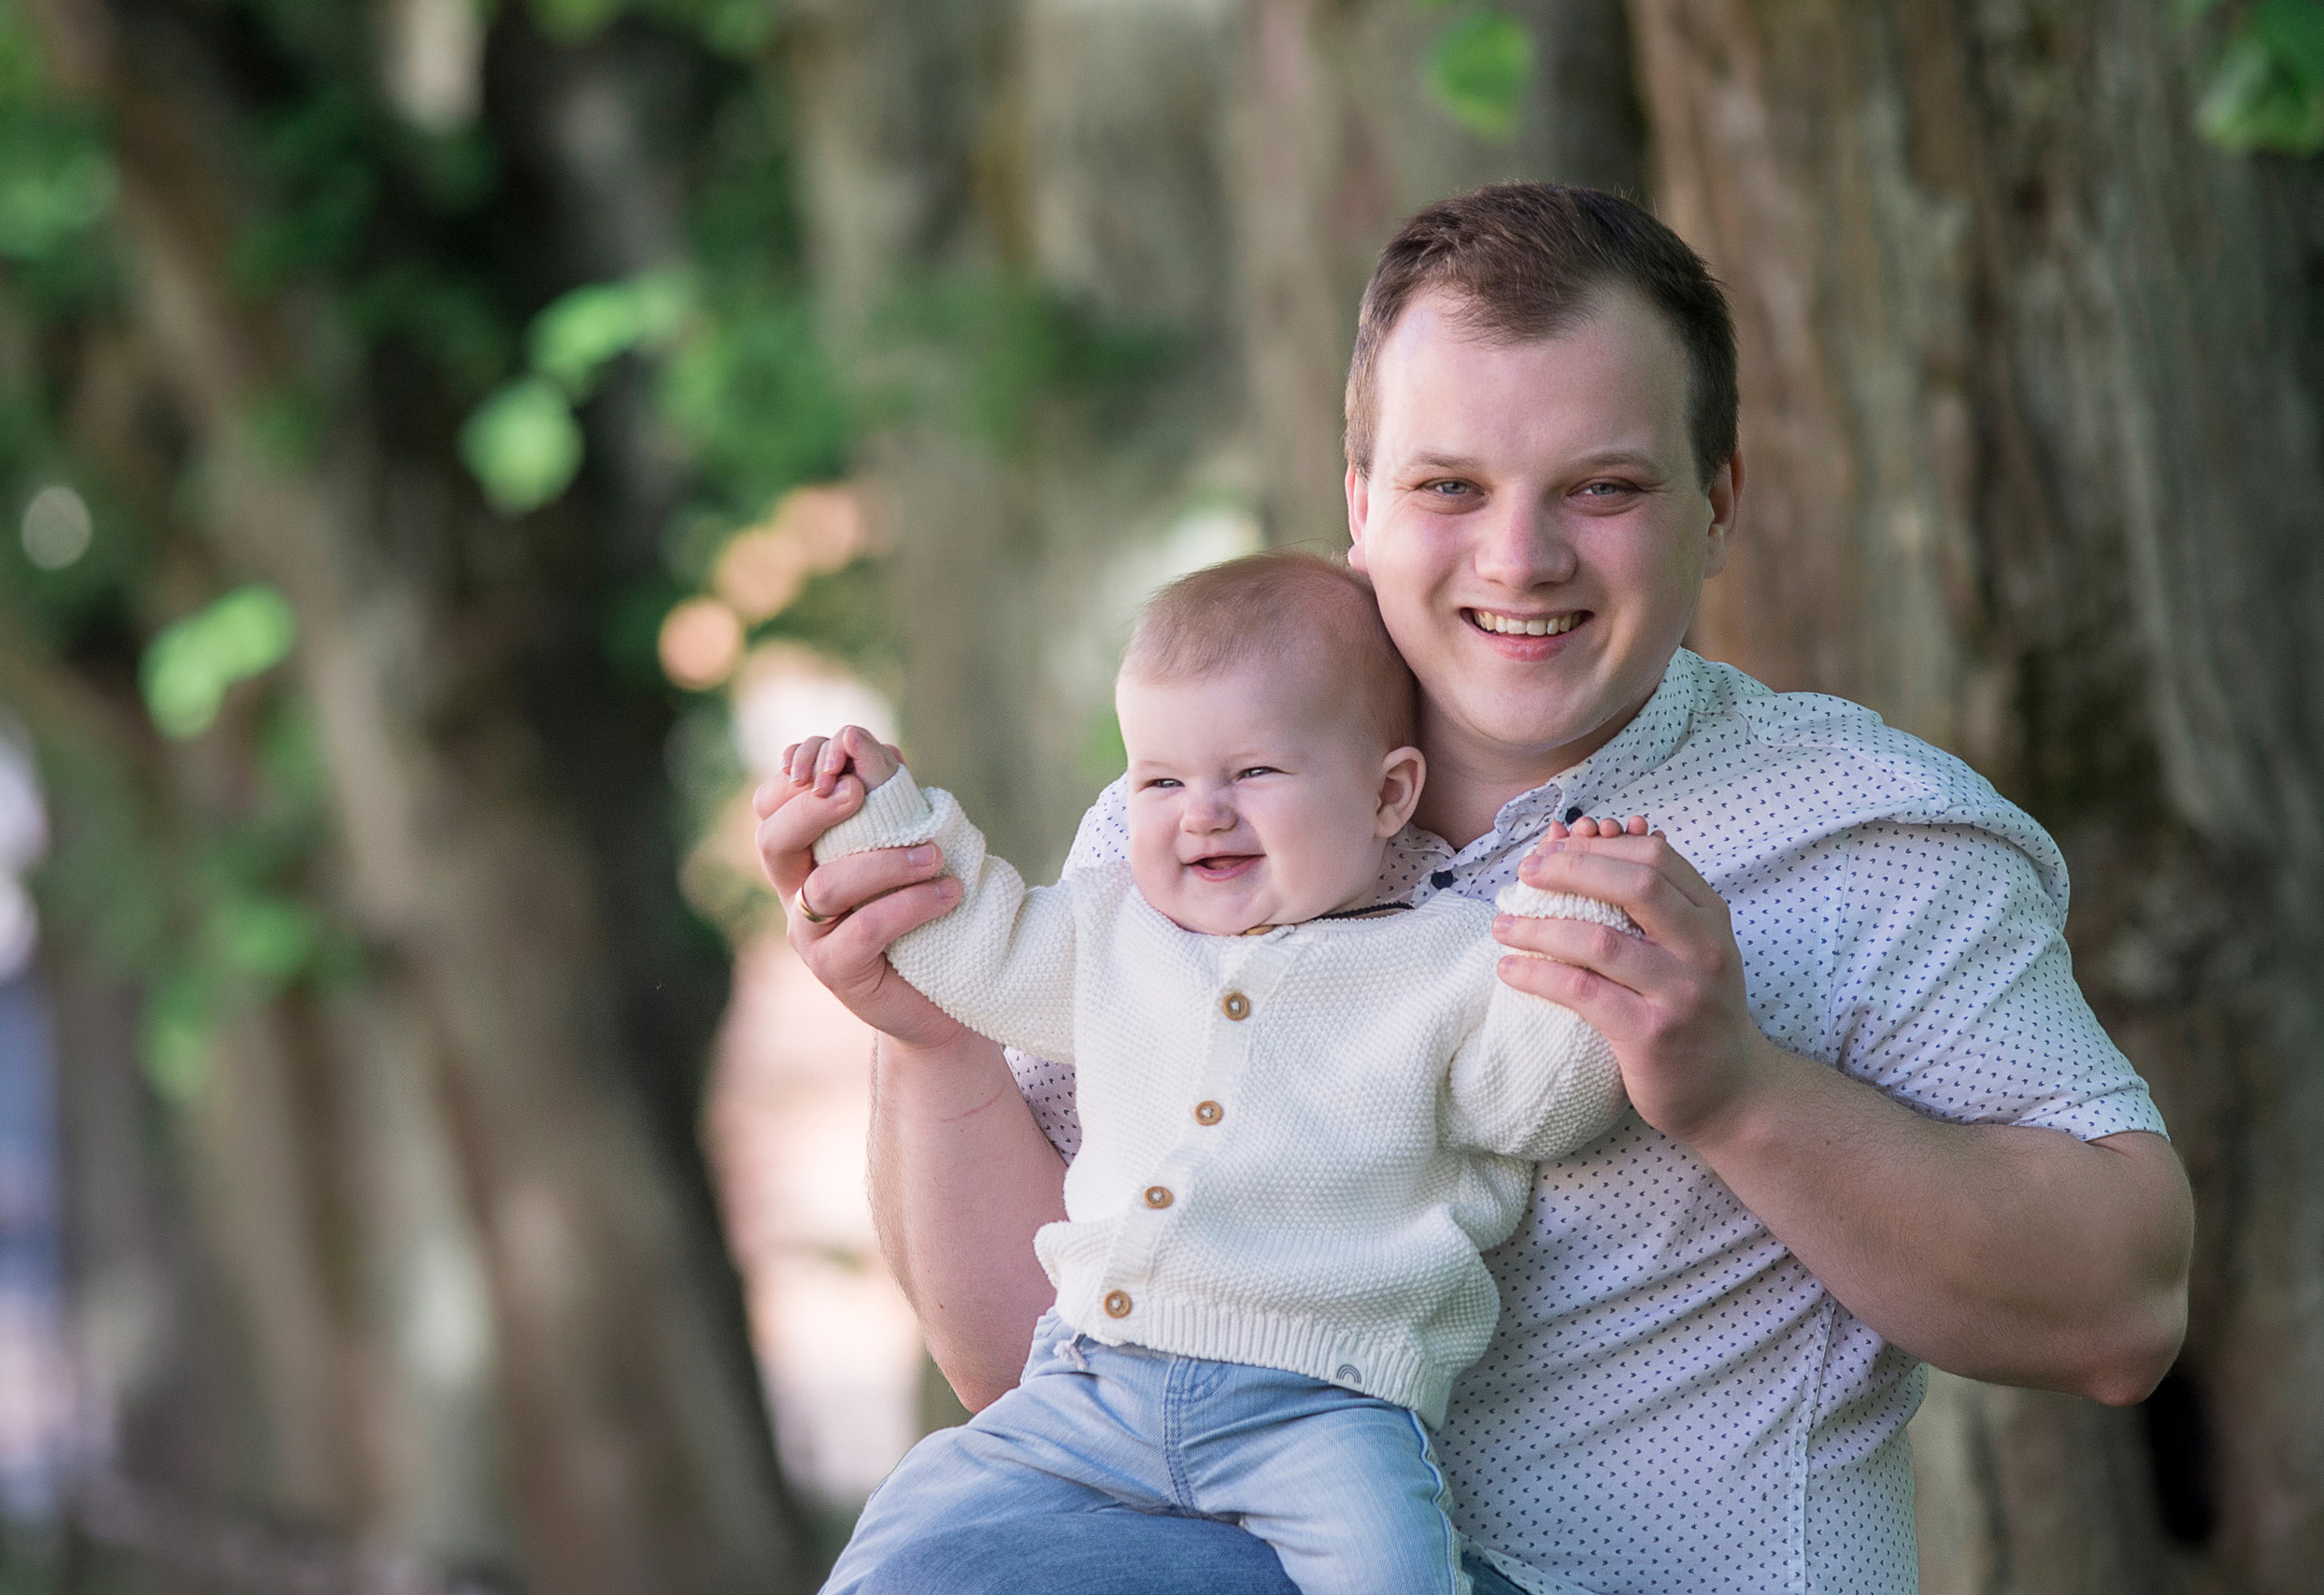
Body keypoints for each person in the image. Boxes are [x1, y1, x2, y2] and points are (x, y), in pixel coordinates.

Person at [754, 184, 2195, 1594]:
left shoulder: (1865, 834)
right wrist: (926, 1023)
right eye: (1452, 486)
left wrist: (1741, 1091)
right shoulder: (1189, 818)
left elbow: (2121, 1309)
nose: (1523, 556)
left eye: (1606, 486)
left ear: (1720, 503)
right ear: (1361, 502)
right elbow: (1031, 1366)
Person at [782, 553, 1633, 1595]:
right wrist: (879, 817)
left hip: (1321, 1407)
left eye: (1256, 773)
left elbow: (1547, 1097)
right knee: (911, 1533)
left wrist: (1590, 920)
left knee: (1394, 1574)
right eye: (1160, 781)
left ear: (1386, 793)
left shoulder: (1447, 964)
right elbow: (974, 950)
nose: (1202, 813)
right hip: (1089, 1384)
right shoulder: (1114, 930)